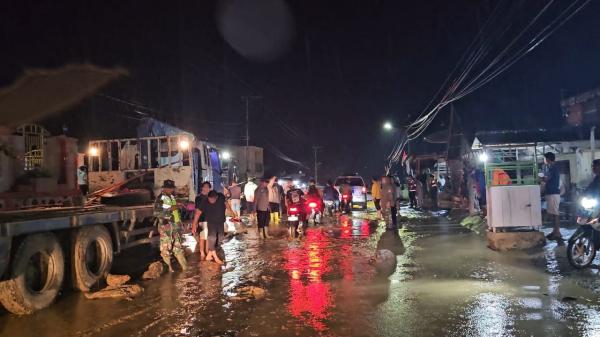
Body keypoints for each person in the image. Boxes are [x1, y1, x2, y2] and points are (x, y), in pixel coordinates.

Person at [153, 180, 187, 272]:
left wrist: (179, 221)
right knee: (165, 248)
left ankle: (184, 267)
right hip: (166, 226)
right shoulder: (160, 198)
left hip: (175, 226)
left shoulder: (172, 197)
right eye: (168, 188)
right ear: (164, 188)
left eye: (171, 188)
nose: (170, 190)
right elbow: (156, 212)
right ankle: (169, 268)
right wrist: (170, 209)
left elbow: (175, 211)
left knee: (178, 246)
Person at [194, 190, 233, 264]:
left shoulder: (221, 197)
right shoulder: (205, 201)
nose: (211, 201)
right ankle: (215, 258)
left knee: (220, 238)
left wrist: (230, 211)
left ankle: (209, 255)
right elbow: (198, 212)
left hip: (220, 222)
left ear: (216, 197)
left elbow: (226, 203)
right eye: (209, 199)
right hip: (211, 223)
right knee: (212, 239)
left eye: (212, 199)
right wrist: (194, 224)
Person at [543, 152, 562, 240]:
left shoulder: (553, 168)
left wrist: (541, 178)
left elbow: (547, 178)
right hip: (551, 193)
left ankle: (557, 232)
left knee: (555, 213)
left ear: (548, 159)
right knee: (552, 213)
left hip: (553, 193)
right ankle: (555, 231)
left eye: (545, 158)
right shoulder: (552, 167)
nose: (545, 160)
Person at [191, 182, 212, 260]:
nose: (206, 189)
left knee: (207, 237)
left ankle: (206, 251)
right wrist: (195, 222)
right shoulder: (199, 197)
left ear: (210, 188)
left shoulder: (210, 197)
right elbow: (196, 210)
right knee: (202, 237)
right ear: (202, 188)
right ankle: (202, 252)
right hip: (202, 219)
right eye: (205, 187)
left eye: (208, 187)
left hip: (209, 219)